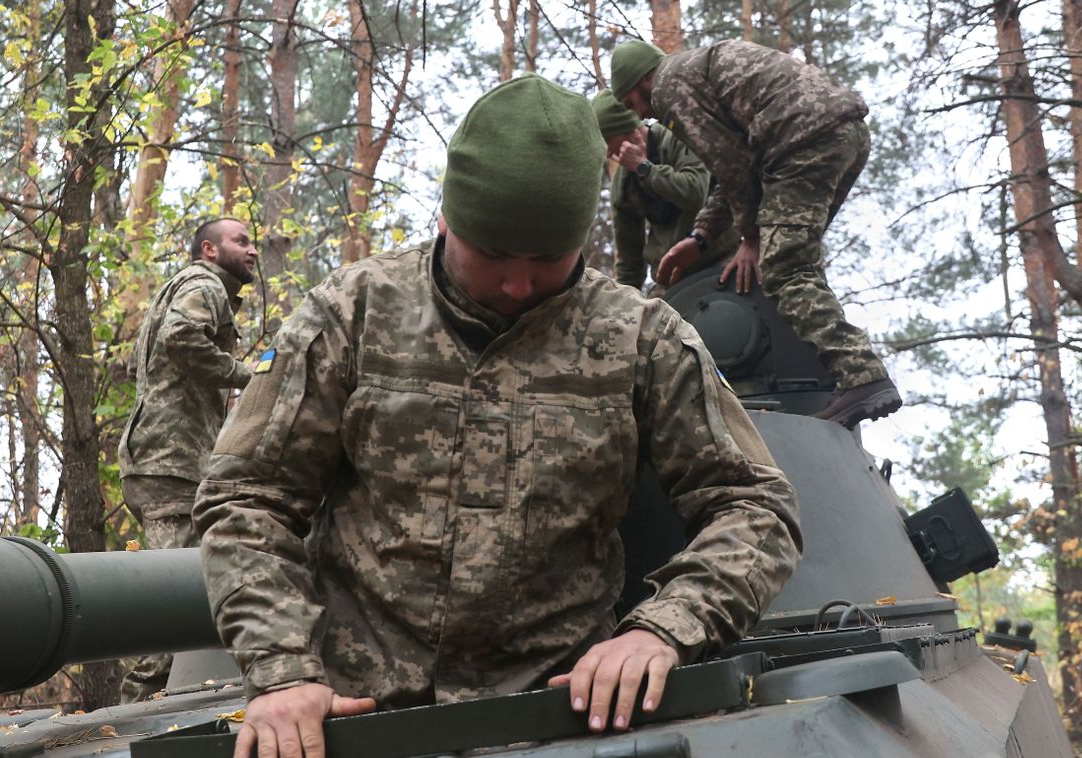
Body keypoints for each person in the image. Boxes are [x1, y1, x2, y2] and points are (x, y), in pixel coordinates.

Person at [193, 74, 802, 758]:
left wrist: (662, 628)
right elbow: (247, 496)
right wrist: (282, 672)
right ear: (447, 217)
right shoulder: (351, 313)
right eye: (491, 254)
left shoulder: (642, 337)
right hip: (357, 718)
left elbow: (755, 505)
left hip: (559, 715)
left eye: (547, 260)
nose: (517, 284)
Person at [609, 39, 902, 428]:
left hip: (801, 143)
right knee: (795, 259)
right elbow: (733, 164)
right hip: (840, 133)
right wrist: (700, 237)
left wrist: (750, 238)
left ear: (642, 79)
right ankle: (852, 375)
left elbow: (731, 165)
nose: (644, 114)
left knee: (783, 268)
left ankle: (862, 375)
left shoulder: (669, 85)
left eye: (633, 103)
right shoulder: (694, 69)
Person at [116, 217, 257, 703]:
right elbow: (181, 337)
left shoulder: (188, 287)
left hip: (166, 460)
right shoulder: (203, 283)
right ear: (210, 250)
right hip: (170, 463)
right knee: (171, 594)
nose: (252, 249)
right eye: (241, 241)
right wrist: (247, 377)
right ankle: (130, 721)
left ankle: (152, 712)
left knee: (188, 585)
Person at [590, 88, 736, 295]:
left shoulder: (678, 137)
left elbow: (694, 193)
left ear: (628, 130)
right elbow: (629, 260)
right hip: (671, 280)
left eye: (606, 141)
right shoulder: (623, 184)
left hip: (721, 261)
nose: (606, 152)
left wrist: (645, 168)